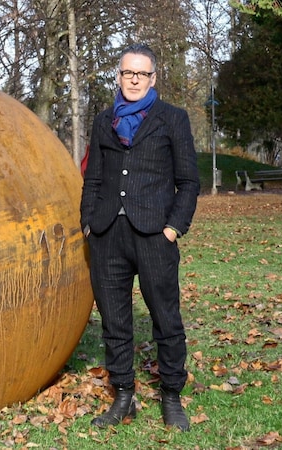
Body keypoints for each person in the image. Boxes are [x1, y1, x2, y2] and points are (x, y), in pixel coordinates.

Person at [80, 43, 200, 431]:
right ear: (118, 76)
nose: (133, 80)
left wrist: (173, 228)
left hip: (153, 235)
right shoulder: (103, 121)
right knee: (115, 320)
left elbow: (189, 182)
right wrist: (88, 223)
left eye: (141, 74)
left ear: (153, 78)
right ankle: (123, 396)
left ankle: (171, 395)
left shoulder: (173, 119)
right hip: (107, 235)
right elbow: (93, 178)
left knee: (166, 317)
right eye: (127, 73)